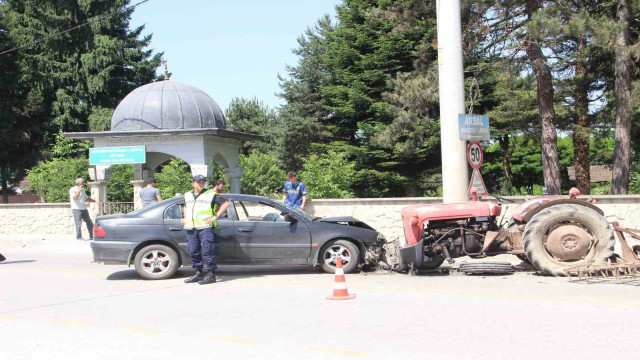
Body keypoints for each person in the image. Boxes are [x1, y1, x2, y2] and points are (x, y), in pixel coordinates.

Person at [182, 176, 229, 285]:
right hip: (191, 227)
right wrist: (185, 217)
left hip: (205, 227)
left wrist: (215, 217)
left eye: (203, 182)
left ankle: (211, 274)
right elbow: (185, 206)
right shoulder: (187, 195)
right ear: (193, 183)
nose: (201, 184)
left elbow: (226, 203)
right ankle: (198, 273)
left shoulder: (210, 194)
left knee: (208, 251)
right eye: (199, 182)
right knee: (193, 251)